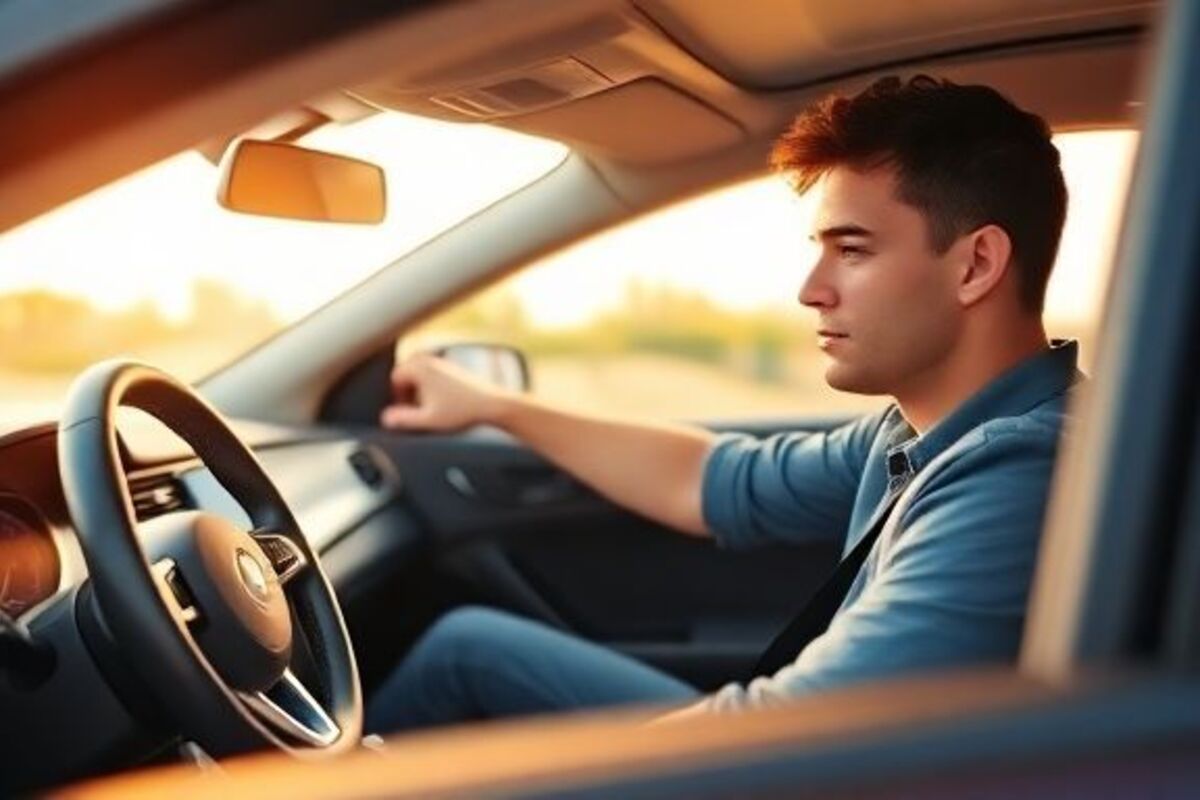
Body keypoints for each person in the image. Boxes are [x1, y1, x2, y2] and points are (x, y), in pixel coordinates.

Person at [365, 74, 1081, 732]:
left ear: (977, 265)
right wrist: (493, 406)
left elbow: (796, 738)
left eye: (852, 250)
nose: (811, 289)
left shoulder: (1017, 467)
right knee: (469, 647)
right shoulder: (923, 432)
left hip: (816, 767)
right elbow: (710, 479)